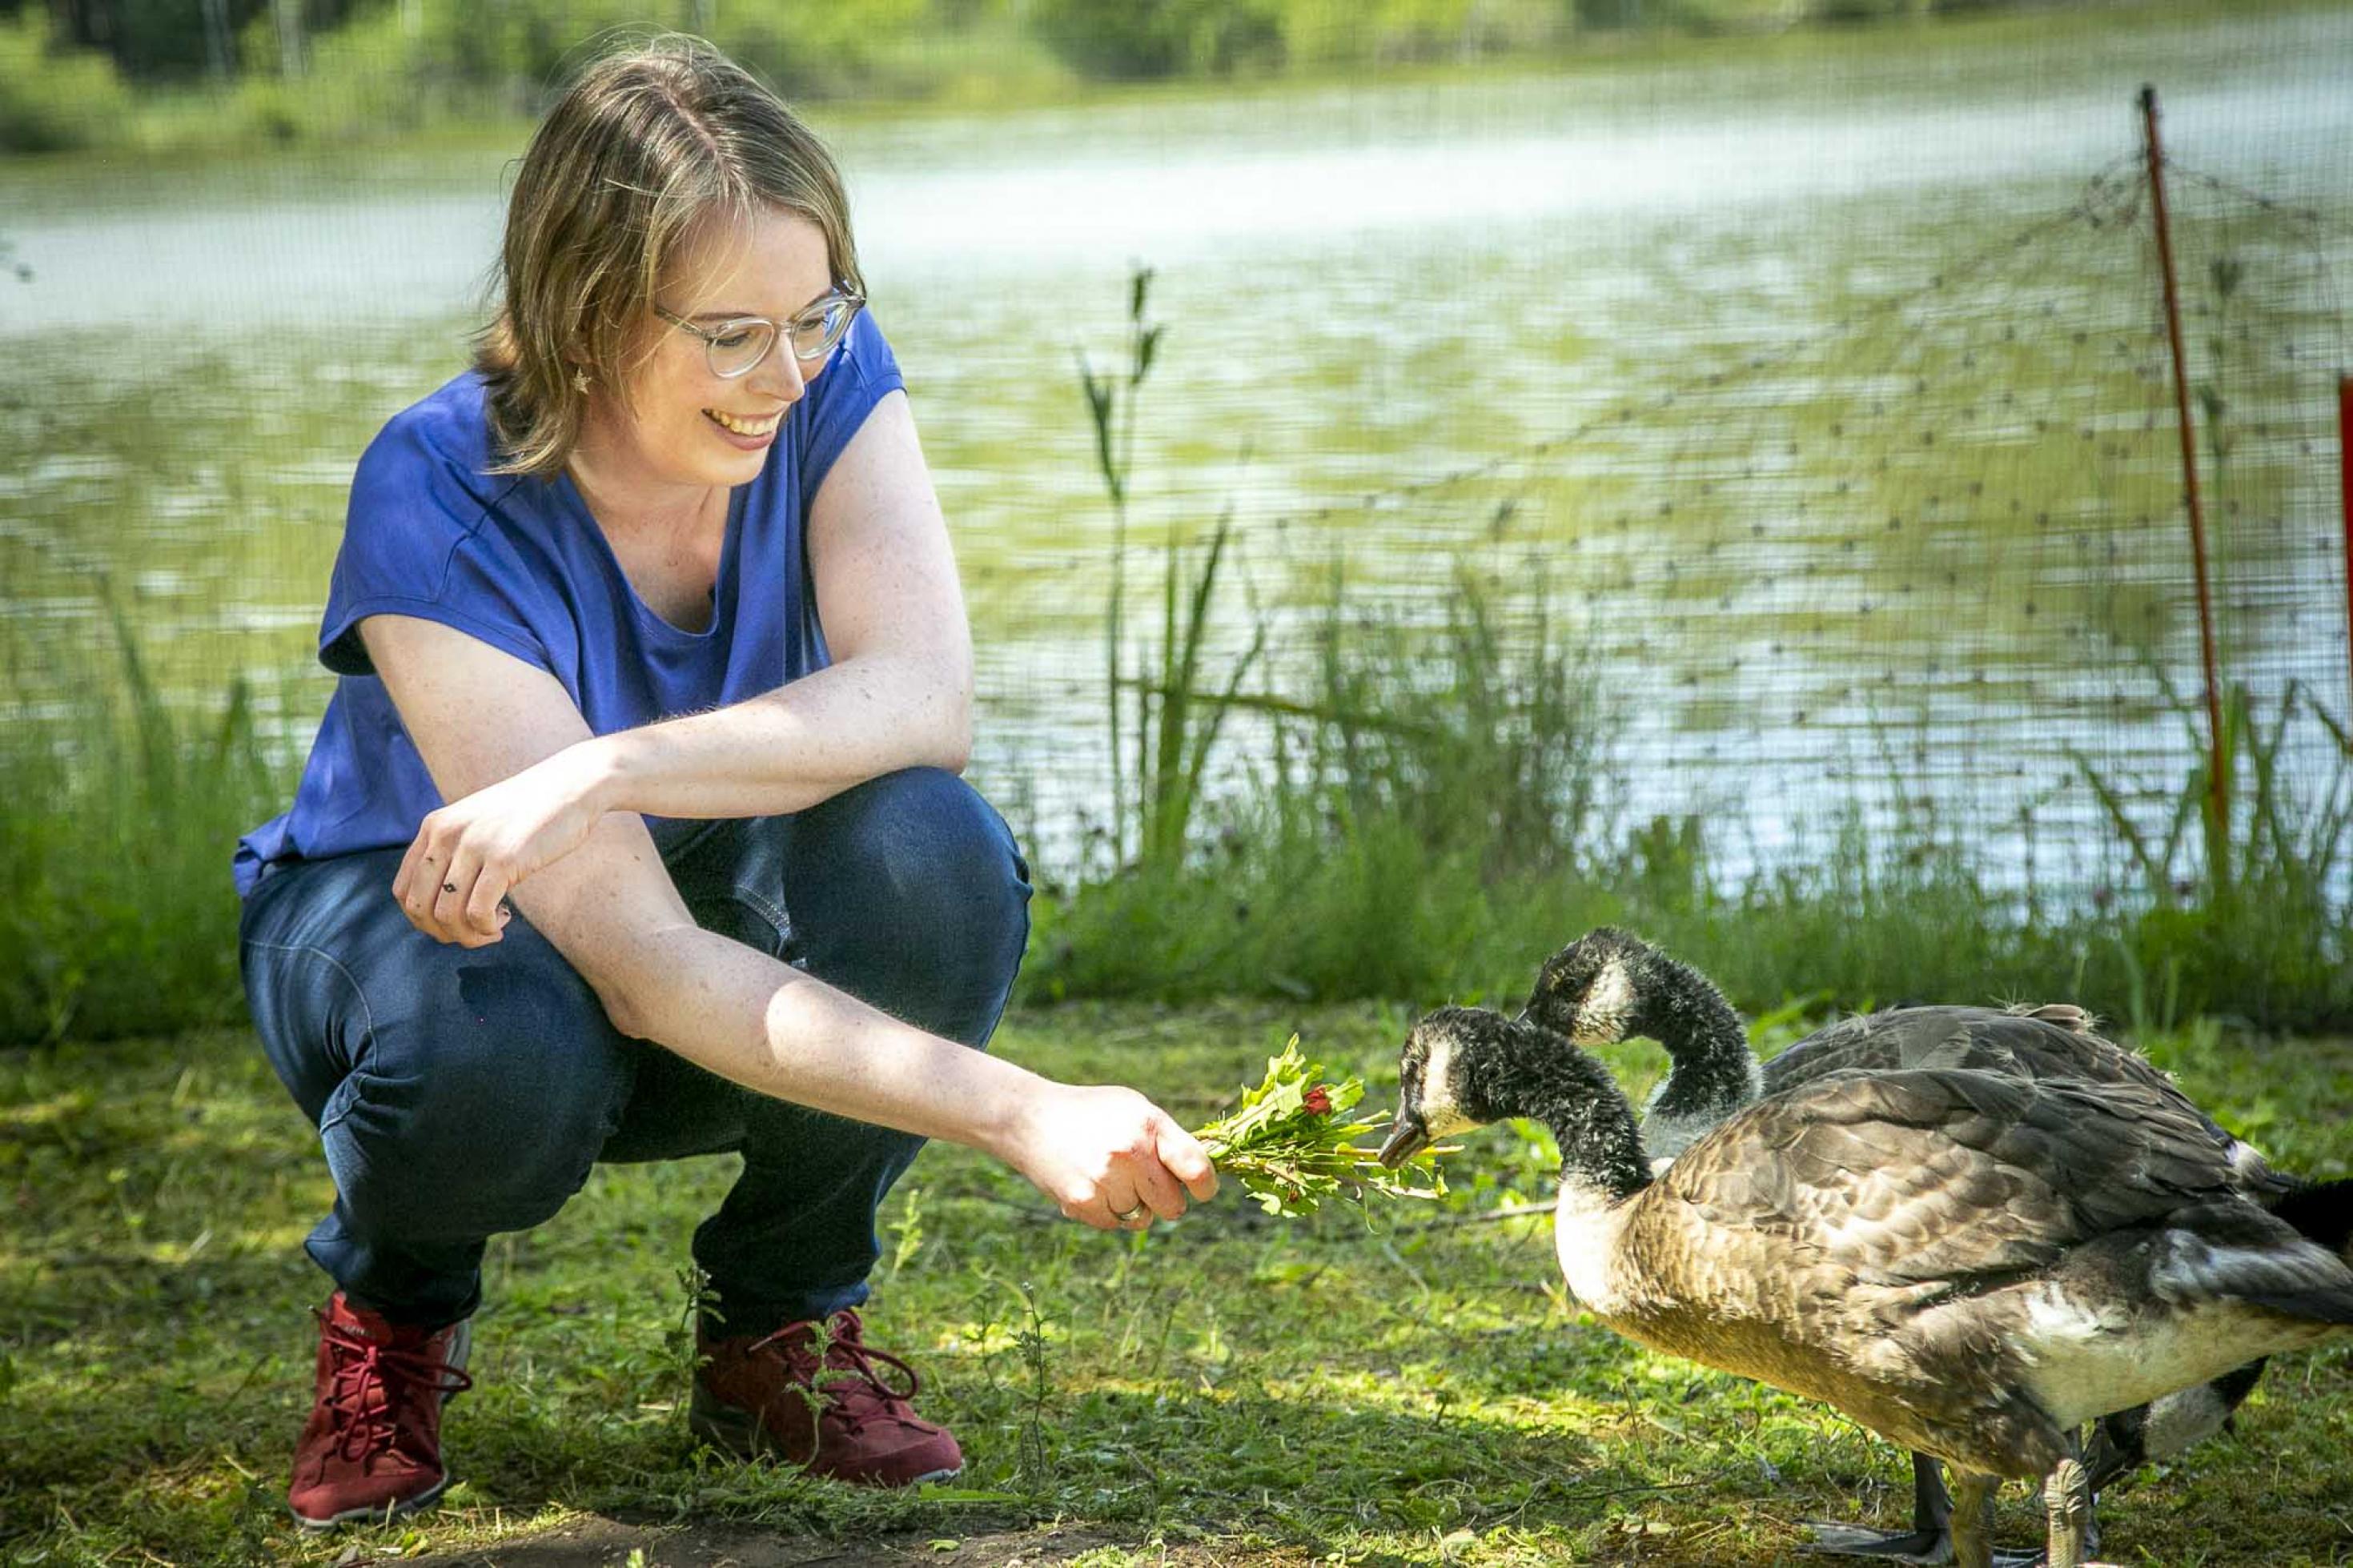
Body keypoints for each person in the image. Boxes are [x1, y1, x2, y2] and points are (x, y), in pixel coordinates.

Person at [233, 34, 1217, 1533]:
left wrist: (605, 766)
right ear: (582, 315)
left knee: (930, 855)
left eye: (814, 314)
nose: (789, 375)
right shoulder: (432, 489)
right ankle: (397, 1317)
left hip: (679, 886)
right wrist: (1022, 1114)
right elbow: (645, 964)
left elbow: (920, 699)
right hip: (413, 925)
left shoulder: (823, 375)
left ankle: (776, 1329)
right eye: (728, 337)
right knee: (493, 1050)